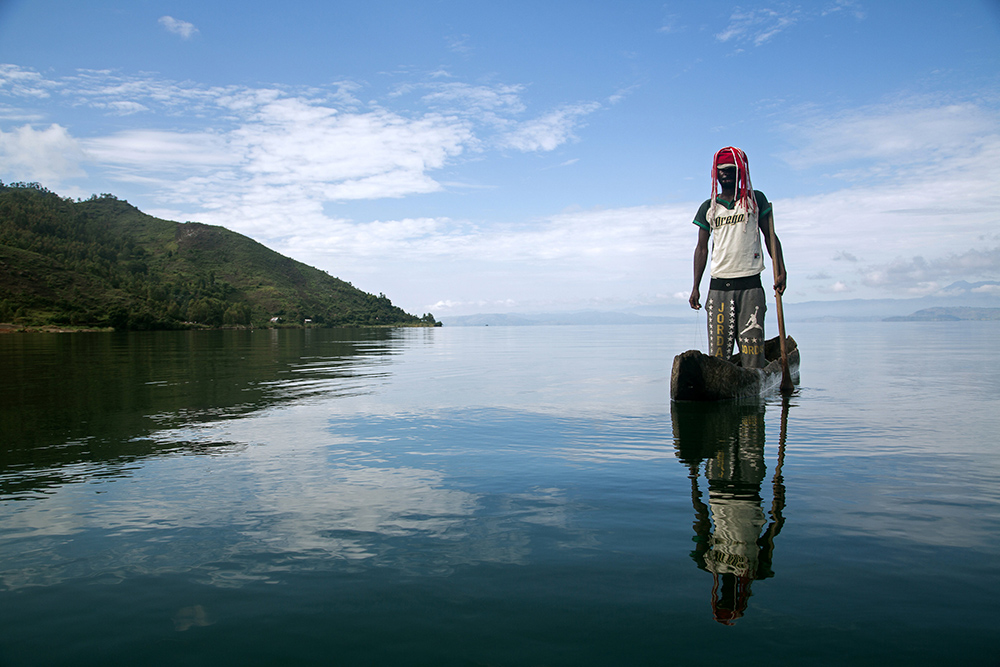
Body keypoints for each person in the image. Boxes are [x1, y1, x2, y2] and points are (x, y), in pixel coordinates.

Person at [689, 146, 786, 368]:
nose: (726, 174)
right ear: (716, 174)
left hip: (750, 286)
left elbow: (771, 237)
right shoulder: (709, 207)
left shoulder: (755, 200)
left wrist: (781, 270)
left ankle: (753, 385)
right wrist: (695, 286)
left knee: (752, 356)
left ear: (740, 172)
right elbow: (701, 249)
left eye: (731, 170)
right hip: (718, 288)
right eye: (722, 170)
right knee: (718, 359)